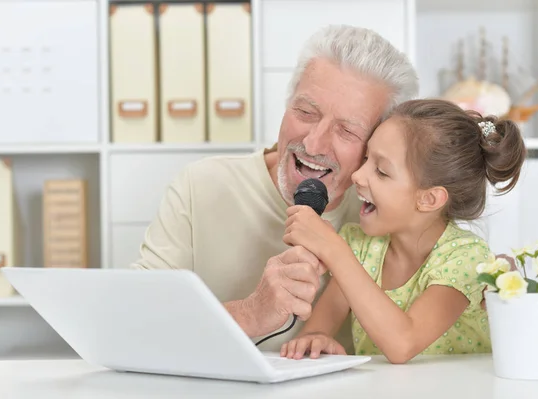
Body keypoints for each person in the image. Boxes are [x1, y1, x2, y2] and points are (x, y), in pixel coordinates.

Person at [129, 24, 419, 352]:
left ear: (377, 145)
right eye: (306, 112)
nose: (313, 143)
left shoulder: (388, 215)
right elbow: (132, 325)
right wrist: (250, 313)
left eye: (347, 131)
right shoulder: (200, 186)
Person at [280, 99, 527, 364]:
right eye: (365, 159)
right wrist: (316, 337)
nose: (357, 176)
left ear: (429, 199)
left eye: (381, 171)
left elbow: (403, 343)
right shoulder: (359, 245)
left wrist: (332, 249)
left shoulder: (466, 258)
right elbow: (319, 327)